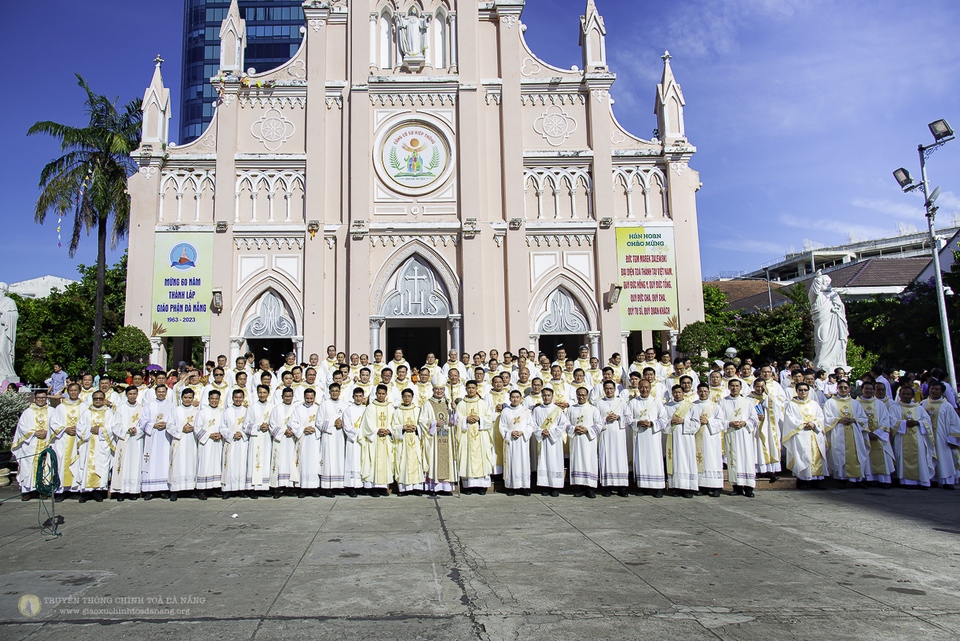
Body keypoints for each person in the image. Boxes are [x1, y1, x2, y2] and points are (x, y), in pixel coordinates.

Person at [782, 383, 828, 489]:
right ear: (796, 391)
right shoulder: (792, 405)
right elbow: (790, 419)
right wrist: (803, 424)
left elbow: (820, 417)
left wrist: (814, 424)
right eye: (800, 390)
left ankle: (816, 481)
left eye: (805, 390)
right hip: (800, 434)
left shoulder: (814, 404)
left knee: (816, 456)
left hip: (814, 433)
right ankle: (803, 481)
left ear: (808, 391)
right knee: (803, 456)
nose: (803, 392)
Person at [823, 380, 869, 484]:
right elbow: (826, 418)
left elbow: (863, 418)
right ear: (837, 389)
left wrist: (854, 420)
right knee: (840, 454)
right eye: (840, 387)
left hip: (854, 432)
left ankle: (854, 479)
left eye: (845, 387)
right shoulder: (830, 402)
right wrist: (839, 420)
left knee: (855, 454)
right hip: (838, 431)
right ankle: (841, 479)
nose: (843, 389)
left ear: (849, 389)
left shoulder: (855, 403)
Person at [890, 384, 935, 488]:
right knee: (902, 458)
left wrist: (918, 422)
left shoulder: (918, 408)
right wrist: (904, 423)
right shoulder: (894, 407)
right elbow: (891, 421)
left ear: (912, 395)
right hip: (902, 438)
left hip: (918, 438)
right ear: (899, 395)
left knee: (920, 458)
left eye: (908, 394)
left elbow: (927, 420)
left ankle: (922, 481)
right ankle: (906, 482)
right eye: (903, 394)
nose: (906, 396)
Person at [627, 379, 667, 497]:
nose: (644, 389)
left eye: (646, 387)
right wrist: (638, 422)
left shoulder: (657, 402)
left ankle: (658, 488)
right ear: (638, 388)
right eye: (642, 387)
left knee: (655, 460)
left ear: (650, 388)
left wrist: (652, 423)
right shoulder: (633, 402)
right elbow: (628, 419)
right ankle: (642, 486)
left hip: (653, 436)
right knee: (641, 459)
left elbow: (664, 419)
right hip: (640, 436)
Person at [73, 391, 115, 503]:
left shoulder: (109, 413)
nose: (98, 400)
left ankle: (98, 492)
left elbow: (112, 427)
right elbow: (79, 427)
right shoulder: (87, 412)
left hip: (102, 444)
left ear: (104, 399)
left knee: (101, 466)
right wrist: (89, 430)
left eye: (100, 398)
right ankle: (85, 493)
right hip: (88, 444)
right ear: (92, 399)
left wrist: (101, 430)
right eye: (96, 398)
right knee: (86, 466)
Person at [12, 390, 53, 500]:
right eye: (39, 398)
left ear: (46, 398)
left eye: (43, 398)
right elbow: (22, 427)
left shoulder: (52, 411)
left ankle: (42, 490)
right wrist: (34, 432)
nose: (41, 400)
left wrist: (47, 432)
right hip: (30, 444)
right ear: (35, 399)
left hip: (46, 443)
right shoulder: (27, 412)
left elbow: (56, 426)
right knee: (27, 467)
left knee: (45, 466)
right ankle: (27, 491)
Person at [456, 380, 495, 494]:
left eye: (473, 388)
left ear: (476, 389)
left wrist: (480, 419)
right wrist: (465, 419)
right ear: (466, 389)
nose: (471, 390)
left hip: (481, 436)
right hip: (466, 436)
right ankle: (469, 486)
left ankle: (482, 487)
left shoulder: (483, 403)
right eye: (469, 388)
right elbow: (456, 420)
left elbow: (489, 419)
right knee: (467, 458)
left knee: (482, 459)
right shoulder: (461, 404)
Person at [722, 379, 758, 497]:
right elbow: (719, 419)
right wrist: (729, 423)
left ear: (741, 388)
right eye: (732, 386)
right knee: (733, 459)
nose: (734, 388)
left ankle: (749, 488)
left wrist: (745, 423)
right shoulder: (723, 402)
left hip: (744, 435)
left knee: (746, 459)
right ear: (728, 387)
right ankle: (736, 487)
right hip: (731, 433)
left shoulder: (747, 402)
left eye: (737, 386)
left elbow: (754, 418)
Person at [920, 381, 959, 488]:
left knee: (945, 458)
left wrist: (953, 439)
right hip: (927, 437)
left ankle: (947, 481)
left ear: (942, 392)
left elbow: (955, 423)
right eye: (932, 388)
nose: (933, 391)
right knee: (928, 456)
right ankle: (932, 479)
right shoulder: (923, 403)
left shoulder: (947, 406)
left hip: (943, 438)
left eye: (937, 389)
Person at [532, 387, 569, 497]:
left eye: (548, 395)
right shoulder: (537, 410)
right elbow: (533, 424)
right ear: (541, 396)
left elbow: (563, 424)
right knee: (543, 462)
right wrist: (541, 431)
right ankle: (545, 487)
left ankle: (555, 487)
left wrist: (551, 432)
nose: (546, 397)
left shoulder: (558, 410)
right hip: (543, 440)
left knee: (555, 462)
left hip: (554, 441)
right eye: (544, 395)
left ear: (552, 396)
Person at [856, 381, 895, 487]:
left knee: (882, 456)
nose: (869, 391)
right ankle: (868, 479)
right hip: (863, 436)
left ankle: (883, 480)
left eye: (871, 389)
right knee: (865, 456)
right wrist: (866, 433)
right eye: (866, 389)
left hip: (879, 436)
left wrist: (877, 433)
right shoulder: (855, 403)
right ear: (862, 389)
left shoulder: (879, 404)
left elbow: (886, 420)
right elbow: (856, 419)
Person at [49, 382, 85, 499]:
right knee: (61, 463)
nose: (73, 392)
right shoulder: (60, 407)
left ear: (79, 391)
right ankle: (61, 490)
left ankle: (75, 489)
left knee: (77, 463)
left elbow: (88, 423)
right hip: (63, 440)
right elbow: (53, 423)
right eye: (71, 390)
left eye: (75, 390)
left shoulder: (84, 407)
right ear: (68, 392)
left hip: (78, 440)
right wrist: (65, 429)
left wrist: (78, 429)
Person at [361, 385, 397, 497]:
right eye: (379, 393)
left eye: (383, 394)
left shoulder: (390, 408)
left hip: (386, 439)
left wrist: (389, 430)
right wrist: (377, 430)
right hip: (374, 439)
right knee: (373, 461)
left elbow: (395, 423)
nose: (381, 396)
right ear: (376, 394)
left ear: (386, 394)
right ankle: (373, 488)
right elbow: (367, 424)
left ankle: (383, 487)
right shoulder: (370, 407)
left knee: (386, 462)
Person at [566, 386, 602, 498]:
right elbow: (566, 423)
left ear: (587, 396)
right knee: (578, 462)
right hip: (576, 440)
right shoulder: (571, 409)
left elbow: (600, 424)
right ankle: (580, 488)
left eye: (583, 395)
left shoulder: (593, 409)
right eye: (579, 395)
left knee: (589, 462)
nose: (581, 397)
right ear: (576, 395)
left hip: (588, 440)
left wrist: (587, 430)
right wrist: (574, 428)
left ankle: (590, 489)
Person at [664, 384, 699, 498]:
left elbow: (696, 423)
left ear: (683, 393)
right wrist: (671, 422)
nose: (677, 394)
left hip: (686, 438)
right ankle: (676, 487)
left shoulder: (691, 406)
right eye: (675, 392)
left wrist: (683, 421)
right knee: (674, 461)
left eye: (679, 392)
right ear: (672, 394)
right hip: (672, 438)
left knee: (687, 460)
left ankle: (688, 487)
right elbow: (663, 422)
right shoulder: (667, 406)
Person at [110, 386, 145, 501]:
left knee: (135, 463)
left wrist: (137, 430)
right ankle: (121, 491)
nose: (132, 396)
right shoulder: (120, 409)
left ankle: (133, 491)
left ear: (137, 395)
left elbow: (144, 424)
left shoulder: (142, 408)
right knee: (122, 464)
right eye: (130, 394)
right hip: (124, 439)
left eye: (134, 394)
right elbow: (115, 425)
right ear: (126, 395)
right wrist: (126, 430)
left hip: (136, 440)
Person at [596, 380, 630, 497]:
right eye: (607, 388)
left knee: (620, 459)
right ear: (603, 390)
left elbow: (629, 418)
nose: (609, 390)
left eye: (611, 388)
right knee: (607, 458)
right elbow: (596, 420)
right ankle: (607, 487)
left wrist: (619, 417)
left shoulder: (621, 402)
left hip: (619, 435)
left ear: (615, 389)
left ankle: (622, 487)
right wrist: (605, 419)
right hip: (606, 434)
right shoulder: (599, 403)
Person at [422, 385, 457, 495]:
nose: (439, 391)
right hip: (434, 439)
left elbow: (453, 422)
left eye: (441, 389)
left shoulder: (448, 403)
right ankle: (434, 488)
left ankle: (446, 488)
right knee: (434, 460)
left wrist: (454, 410)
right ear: (433, 390)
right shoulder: (428, 404)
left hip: (447, 436)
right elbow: (422, 420)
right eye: (437, 389)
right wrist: (434, 423)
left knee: (447, 460)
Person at [141, 383, 174, 499]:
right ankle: (149, 490)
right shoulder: (149, 406)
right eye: (159, 392)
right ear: (155, 393)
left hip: (166, 437)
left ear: (166, 393)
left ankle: (164, 490)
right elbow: (143, 422)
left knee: (165, 461)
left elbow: (175, 421)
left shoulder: (171, 406)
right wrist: (153, 425)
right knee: (151, 462)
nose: (161, 394)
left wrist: (167, 424)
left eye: (163, 392)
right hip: (152, 437)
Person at [168, 389, 201, 501]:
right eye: (185, 397)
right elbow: (169, 426)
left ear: (193, 398)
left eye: (190, 398)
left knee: (191, 464)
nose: (187, 400)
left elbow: (200, 426)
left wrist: (194, 428)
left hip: (192, 441)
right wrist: (181, 429)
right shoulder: (175, 411)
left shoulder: (197, 411)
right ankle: (175, 490)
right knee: (178, 464)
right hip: (179, 441)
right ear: (181, 398)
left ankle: (190, 490)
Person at [693, 383, 725, 496]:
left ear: (709, 392)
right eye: (701, 391)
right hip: (697, 437)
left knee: (712, 461)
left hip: (711, 439)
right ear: (697, 392)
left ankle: (716, 487)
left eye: (705, 391)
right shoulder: (693, 405)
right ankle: (702, 487)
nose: (703, 393)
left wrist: (708, 421)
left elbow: (721, 422)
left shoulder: (715, 406)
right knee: (699, 460)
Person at [289, 388, 322, 498]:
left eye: (311, 398)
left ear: (314, 397)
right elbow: (292, 423)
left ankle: (314, 488)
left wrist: (315, 429)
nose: (309, 400)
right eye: (307, 398)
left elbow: (322, 423)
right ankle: (302, 488)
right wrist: (303, 429)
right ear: (304, 397)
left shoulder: (318, 408)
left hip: (315, 440)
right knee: (302, 462)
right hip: (303, 440)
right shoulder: (298, 409)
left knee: (314, 463)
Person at [499, 390, 533, 496]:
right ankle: (511, 487)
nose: (515, 399)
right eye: (513, 397)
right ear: (509, 398)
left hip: (522, 441)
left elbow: (530, 425)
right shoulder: (505, 411)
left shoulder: (526, 411)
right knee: (511, 462)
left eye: (517, 397)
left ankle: (524, 487)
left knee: (523, 462)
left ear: (521, 398)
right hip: (511, 441)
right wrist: (510, 433)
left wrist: (523, 432)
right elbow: (501, 426)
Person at [268, 387, 300, 498]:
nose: (288, 398)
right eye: (286, 396)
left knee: (291, 462)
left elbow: (299, 423)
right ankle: (278, 488)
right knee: (279, 462)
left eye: (290, 396)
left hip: (292, 440)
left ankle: (290, 487)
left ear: (293, 397)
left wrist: (293, 431)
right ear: (282, 397)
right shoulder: (276, 409)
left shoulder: (296, 409)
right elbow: (272, 424)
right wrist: (283, 431)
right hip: (280, 440)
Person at [749, 379, 782, 481]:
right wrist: (755, 416)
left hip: (768, 428)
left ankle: (769, 470)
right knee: (756, 447)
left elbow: (777, 409)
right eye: (757, 386)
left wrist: (769, 396)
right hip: (755, 429)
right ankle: (757, 470)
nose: (759, 389)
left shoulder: (769, 397)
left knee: (769, 445)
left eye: (762, 387)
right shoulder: (749, 399)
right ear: (753, 387)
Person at [219, 389, 250, 499]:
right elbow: (222, 427)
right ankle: (227, 489)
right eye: (236, 397)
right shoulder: (227, 411)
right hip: (231, 441)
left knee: (242, 464)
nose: (238, 399)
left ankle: (241, 489)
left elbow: (249, 425)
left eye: (240, 397)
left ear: (243, 398)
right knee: (229, 464)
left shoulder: (247, 411)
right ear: (232, 398)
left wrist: (242, 433)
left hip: (242, 442)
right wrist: (231, 434)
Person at [393, 388, 425, 495]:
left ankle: (417, 488)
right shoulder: (398, 411)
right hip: (403, 442)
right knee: (403, 463)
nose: (407, 398)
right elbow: (394, 426)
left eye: (409, 396)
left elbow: (422, 425)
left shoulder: (418, 410)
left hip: (415, 440)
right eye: (405, 396)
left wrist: (416, 428)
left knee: (416, 462)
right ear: (402, 397)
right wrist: (403, 427)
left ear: (412, 397)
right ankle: (404, 489)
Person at [194, 390, 225, 499]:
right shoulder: (202, 412)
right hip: (206, 443)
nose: (214, 401)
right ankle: (202, 490)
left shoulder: (222, 412)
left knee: (216, 465)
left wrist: (221, 434)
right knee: (205, 464)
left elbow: (225, 426)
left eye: (216, 399)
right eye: (212, 398)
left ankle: (215, 489)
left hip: (217, 442)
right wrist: (209, 435)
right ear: (208, 399)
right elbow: (197, 428)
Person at [245, 384, 274, 498]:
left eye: (264, 393)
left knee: (266, 461)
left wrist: (269, 427)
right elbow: (246, 425)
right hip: (255, 437)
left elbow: (275, 423)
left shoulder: (272, 407)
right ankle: (253, 489)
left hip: (267, 437)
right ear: (257, 393)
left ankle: (264, 487)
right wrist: (258, 427)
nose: (262, 395)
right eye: (260, 393)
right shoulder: (252, 407)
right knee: (254, 461)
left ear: (268, 394)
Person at [340, 387, 368, 497]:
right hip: (353, 440)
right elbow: (346, 426)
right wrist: (358, 433)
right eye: (356, 396)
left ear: (363, 397)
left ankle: (361, 486)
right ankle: (351, 487)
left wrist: (363, 434)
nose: (358, 398)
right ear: (352, 397)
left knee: (361, 461)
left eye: (360, 396)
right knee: (352, 462)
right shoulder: (348, 410)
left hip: (363, 440)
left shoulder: (366, 409)